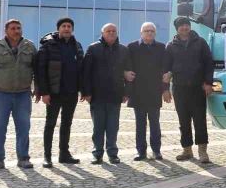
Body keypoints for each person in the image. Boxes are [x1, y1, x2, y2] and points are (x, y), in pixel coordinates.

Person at [0, 19, 37, 171]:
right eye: (13, 28)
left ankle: (23, 158)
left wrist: (37, 88)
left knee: (24, 127)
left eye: (19, 28)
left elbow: (38, 70)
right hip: (1, 95)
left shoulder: (30, 46)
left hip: (23, 95)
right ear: (6, 31)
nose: (17, 31)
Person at [164, 16, 214, 163]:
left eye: (186, 25)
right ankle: (187, 150)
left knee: (200, 120)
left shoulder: (201, 42)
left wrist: (208, 82)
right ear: (177, 29)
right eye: (181, 26)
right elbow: (165, 69)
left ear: (190, 27)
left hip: (198, 88)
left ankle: (202, 151)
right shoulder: (170, 46)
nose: (184, 28)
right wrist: (165, 89)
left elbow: (208, 64)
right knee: (183, 121)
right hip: (179, 89)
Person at [36, 17, 84, 168]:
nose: (66, 28)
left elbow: (81, 70)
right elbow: (40, 70)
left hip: (71, 93)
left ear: (72, 29)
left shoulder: (77, 46)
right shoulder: (48, 45)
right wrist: (44, 92)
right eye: (63, 26)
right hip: (54, 92)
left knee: (67, 124)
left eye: (69, 26)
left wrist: (82, 89)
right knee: (50, 124)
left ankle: (64, 154)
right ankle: (47, 156)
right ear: (58, 28)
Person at [82, 23, 128, 164]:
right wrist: (86, 92)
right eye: (108, 31)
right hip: (97, 95)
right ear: (102, 33)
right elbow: (86, 72)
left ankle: (112, 153)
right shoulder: (93, 48)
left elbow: (129, 73)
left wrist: (126, 92)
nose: (111, 33)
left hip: (115, 95)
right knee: (98, 127)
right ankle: (97, 153)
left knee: (113, 127)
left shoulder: (123, 50)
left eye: (114, 31)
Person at [125, 22, 168, 161]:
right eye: (146, 31)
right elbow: (126, 67)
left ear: (155, 33)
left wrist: (165, 89)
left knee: (155, 123)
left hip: (155, 91)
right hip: (138, 92)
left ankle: (156, 151)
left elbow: (165, 70)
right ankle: (141, 152)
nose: (149, 33)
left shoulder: (162, 48)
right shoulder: (132, 47)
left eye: (152, 31)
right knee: (140, 124)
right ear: (141, 33)